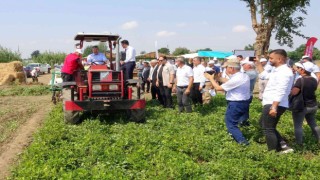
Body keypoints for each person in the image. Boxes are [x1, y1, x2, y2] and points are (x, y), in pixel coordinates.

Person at [204, 58, 251, 145]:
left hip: (236, 103)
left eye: (226, 68)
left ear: (231, 68)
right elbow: (229, 82)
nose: (226, 69)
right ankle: (239, 137)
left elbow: (218, 88)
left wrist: (211, 79)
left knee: (231, 124)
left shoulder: (237, 78)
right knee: (239, 122)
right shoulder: (243, 75)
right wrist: (217, 78)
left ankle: (243, 143)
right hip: (243, 102)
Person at [256, 49, 294, 153]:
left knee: (268, 128)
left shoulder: (284, 72)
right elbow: (264, 75)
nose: (269, 60)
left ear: (280, 59)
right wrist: (258, 64)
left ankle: (273, 152)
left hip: (275, 103)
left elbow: (281, 90)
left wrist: (274, 106)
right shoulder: (277, 70)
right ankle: (282, 146)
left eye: (271, 58)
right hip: (271, 102)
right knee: (265, 125)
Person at [290, 62, 320, 145]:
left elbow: (294, 92)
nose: (296, 69)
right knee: (313, 124)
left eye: (298, 68)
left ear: (302, 69)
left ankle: (299, 143)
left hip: (302, 106)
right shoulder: (314, 79)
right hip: (313, 105)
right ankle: (319, 139)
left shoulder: (300, 80)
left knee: (298, 125)